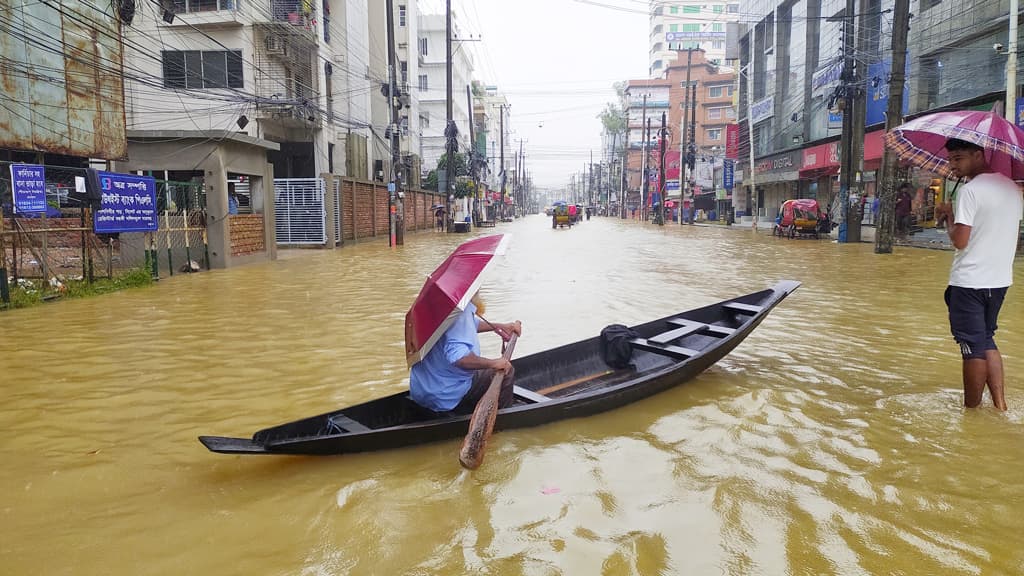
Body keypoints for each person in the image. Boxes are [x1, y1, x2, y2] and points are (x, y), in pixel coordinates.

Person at [941, 138, 1024, 410]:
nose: (954, 165)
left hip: (970, 281)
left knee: (971, 347)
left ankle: (972, 411)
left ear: (979, 155)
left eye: (959, 158)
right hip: (1000, 280)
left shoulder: (970, 191)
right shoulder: (1011, 187)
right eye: (951, 159)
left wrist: (949, 217)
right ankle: (1000, 405)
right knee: (987, 338)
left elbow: (960, 240)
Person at [410, 293, 523, 413]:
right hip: (446, 395)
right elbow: (460, 358)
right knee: (507, 371)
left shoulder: (437, 305)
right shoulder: (460, 312)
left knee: (487, 368)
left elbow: (469, 324)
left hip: (421, 391)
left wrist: (498, 327)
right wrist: (493, 363)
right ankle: (503, 419)